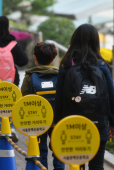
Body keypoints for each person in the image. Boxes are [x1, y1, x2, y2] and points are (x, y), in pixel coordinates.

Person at [54, 24, 114, 170]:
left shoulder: (66, 65)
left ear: (74, 40)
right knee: (97, 165)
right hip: (98, 125)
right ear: (95, 41)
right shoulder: (101, 65)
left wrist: (57, 124)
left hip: (72, 124)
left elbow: (60, 98)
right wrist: (112, 123)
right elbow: (111, 96)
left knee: (76, 163)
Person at [21, 42, 65, 170]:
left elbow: (23, 98)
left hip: (37, 121)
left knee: (40, 151)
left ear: (35, 58)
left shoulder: (29, 76)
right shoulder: (60, 75)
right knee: (58, 149)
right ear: (53, 59)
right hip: (57, 119)